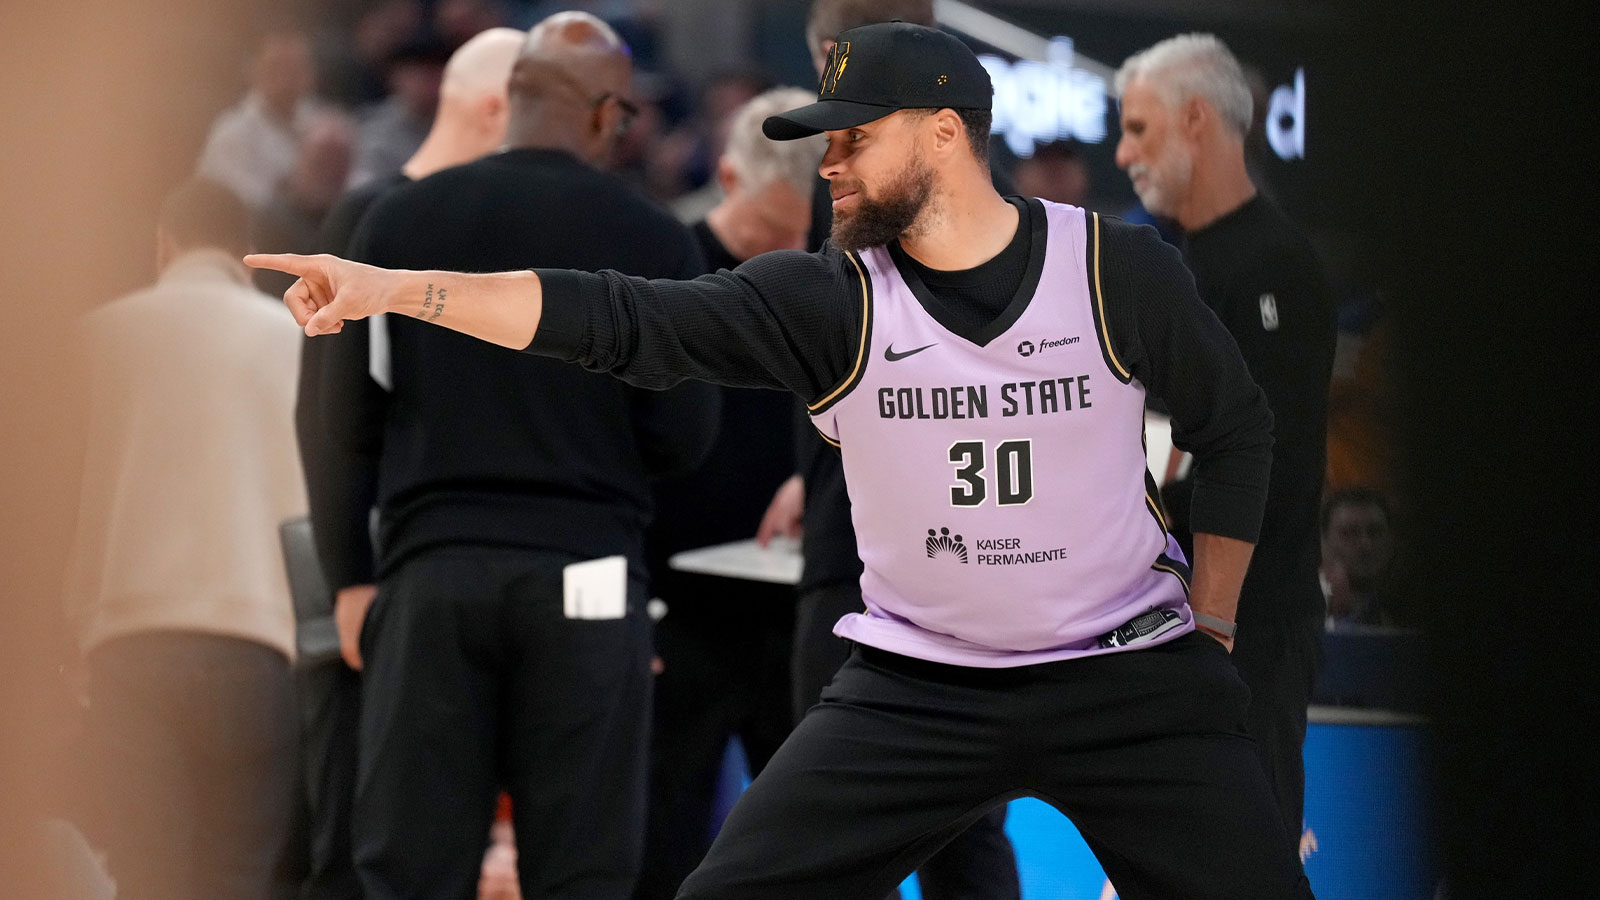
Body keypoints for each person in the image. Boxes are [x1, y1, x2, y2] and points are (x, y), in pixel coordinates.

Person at [249, 21, 1314, 900]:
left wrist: (1210, 625)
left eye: (852, 139)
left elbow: (1237, 430)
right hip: (921, 688)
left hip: (1122, 670)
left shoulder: (1113, 268)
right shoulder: (832, 295)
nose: (829, 163)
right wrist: (396, 289)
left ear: (945, 134)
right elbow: (621, 319)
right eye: (823, 141)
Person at [309, 13, 718, 899]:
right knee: (584, 868)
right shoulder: (657, 242)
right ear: (608, 116)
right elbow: (684, 440)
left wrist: (354, 569)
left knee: (411, 868)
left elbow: (345, 420)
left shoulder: (397, 222)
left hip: (435, 573)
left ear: (515, 100)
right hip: (591, 574)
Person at [763, 3, 1025, 897]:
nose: (832, 150)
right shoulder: (976, 181)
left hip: (881, 556)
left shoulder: (893, 184)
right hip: (941, 553)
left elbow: (835, 338)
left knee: (838, 840)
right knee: (962, 834)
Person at [292, 26, 529, 900]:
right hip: (387, 568)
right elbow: (329, 417)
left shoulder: (513, 227)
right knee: (366, 827)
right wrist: (348, 575)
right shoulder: (369, 217)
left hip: (466, 577)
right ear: (496, 105)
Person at [1113, 34, 1337, 856]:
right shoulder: (1175, 260)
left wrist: (1212, 613)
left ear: (1197, 120)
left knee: (1250, 859)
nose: (1122, 151)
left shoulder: (1273, 266)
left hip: (1248, 622)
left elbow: (1266, 463)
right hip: (1174, 618)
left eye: (1139, 129)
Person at [68, 177, 305, 900]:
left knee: (147, 877)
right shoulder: (292, 342)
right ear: (250, 255)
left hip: (127, 639)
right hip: (256, 643)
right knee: (236, 879)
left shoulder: (99, 334)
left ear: (163, 244)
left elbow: (59, 499)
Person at [633, 86, 821, 900]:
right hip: (683, 612)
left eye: (802, 238)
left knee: (820, 847)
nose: (785, 252)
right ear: (729, 178)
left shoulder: (834, 283)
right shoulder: (665, 270)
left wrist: (814, 476)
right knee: (666, 839)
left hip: (797, 615)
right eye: (770, 233)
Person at [197, 28, 324, 211]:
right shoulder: (230, 132)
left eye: (296, 67)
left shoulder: (327, 124)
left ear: (311, 72)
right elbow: (247, 203)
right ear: (252, 70)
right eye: (276, 67)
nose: (286, 78)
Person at [1319, 486, 1396, 628]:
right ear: (1324, 543)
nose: (1365, 545)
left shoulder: (1414, 614)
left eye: (1375, 532)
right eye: (1349, 533)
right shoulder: (1300, 618)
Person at [1012, 139, 1092, 208]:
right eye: (1048, 175)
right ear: (1020, 179)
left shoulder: (1098, 223)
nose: (1055, 185)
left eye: (1061, 174)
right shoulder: (1006, 222)